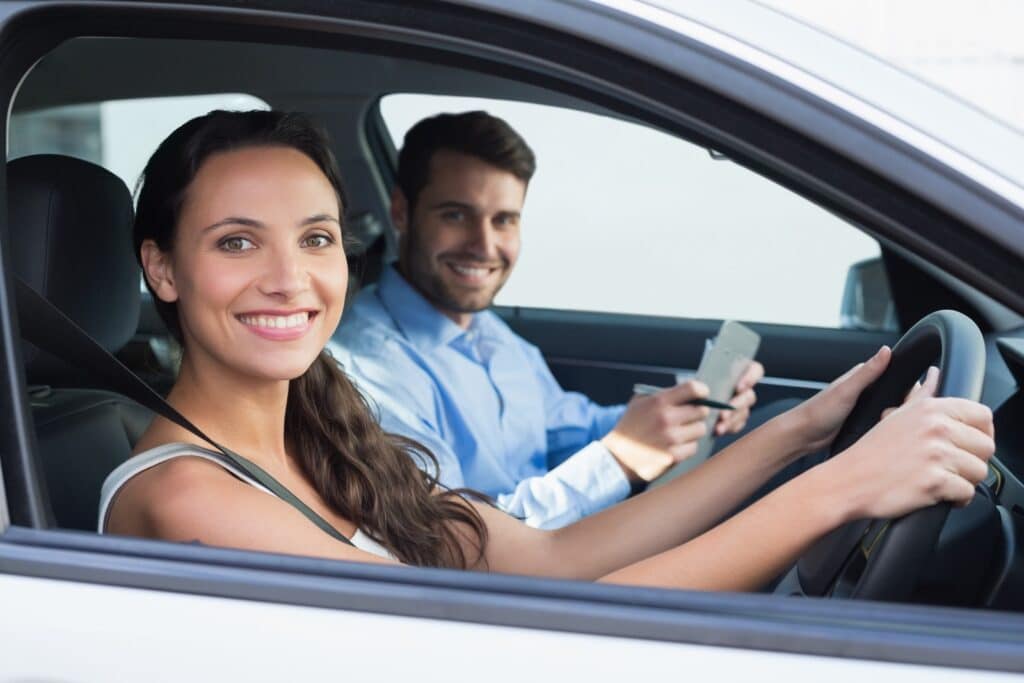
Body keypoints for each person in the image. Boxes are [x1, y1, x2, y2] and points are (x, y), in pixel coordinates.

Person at [102, 109, 993, 592]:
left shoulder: (324, 434)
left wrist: (800, 433)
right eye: (236, 242)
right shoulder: (188, 494)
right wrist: (843, 488)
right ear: (162, 269)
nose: (290, 279)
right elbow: (534, 639)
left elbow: (554, 561)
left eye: (317, 238)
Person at [334, 111, 765, 529]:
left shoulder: (490, 334)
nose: (484, 246)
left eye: (504, 220)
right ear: (402, 213)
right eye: (455, 215)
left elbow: (566, 429)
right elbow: (455, 539)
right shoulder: (369, 369)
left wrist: (681, 409)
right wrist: (619, 459)